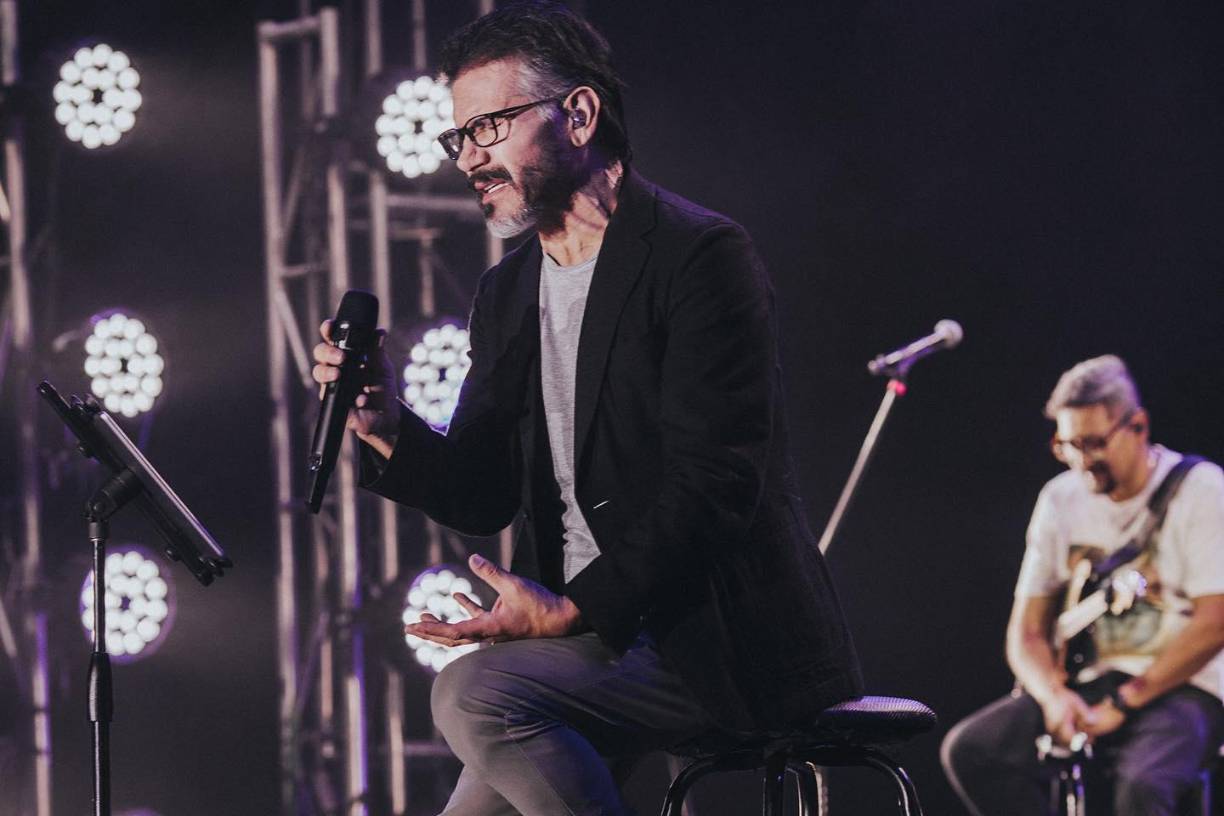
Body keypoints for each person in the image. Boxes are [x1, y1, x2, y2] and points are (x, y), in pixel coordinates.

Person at [310, 3, 861, 814]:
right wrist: (389, 428)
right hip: (589, 643)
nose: (470, 159)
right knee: (476, 721)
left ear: (578, 113)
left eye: (489, 127)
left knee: (468, 695)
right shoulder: (507, 292)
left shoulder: (699, 257)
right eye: (459, 138)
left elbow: (715, 488)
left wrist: (572, 606)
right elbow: (483, 491)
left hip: (709, 639)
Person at [941, 355, 1224, 815]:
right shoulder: (1059, 498)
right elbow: (1027, 632)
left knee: (1142, 784)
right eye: (1068, 445)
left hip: (1185, 687)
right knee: (973, 750)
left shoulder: (1203, 490)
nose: (1082, 461)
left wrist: (1123, 703)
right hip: (1090, 684)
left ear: (1139, 426)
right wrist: (1054, 698)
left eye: (1094, 444)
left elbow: (1215, 623)